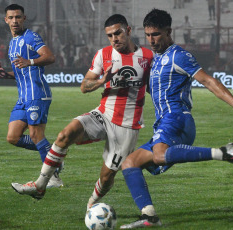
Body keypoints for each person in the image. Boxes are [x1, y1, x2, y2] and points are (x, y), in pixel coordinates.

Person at [119, 9, 233, 229]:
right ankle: (150, 216)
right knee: (129, 163)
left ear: (168, 31)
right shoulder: (156, 60)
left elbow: (208, 80)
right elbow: (156, 91)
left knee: (159, 155)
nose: (151, 40)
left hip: (177, 119)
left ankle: (225, 152)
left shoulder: (178, 55)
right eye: (147, 35)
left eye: (156, 34)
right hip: (163, 122)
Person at [10, 14, 154, 210]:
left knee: (106, 176)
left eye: (118, 33)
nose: (114, 39)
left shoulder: (148, 57)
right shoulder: (103, 55)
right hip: (102, 114)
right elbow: (84, 86)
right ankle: (40, 186)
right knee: (64, 135)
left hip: (128, 125)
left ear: (128, 31)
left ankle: (91, 206)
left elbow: (156, 88)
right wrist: (102, 81)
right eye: (110, 35)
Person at [0, 4, 62, 188]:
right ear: (6, 20)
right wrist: (6, 75)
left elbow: (50, 57)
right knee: (13, 137)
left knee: (35, 135)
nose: (15, 21)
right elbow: (21, 72)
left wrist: (30, 61)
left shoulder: (31, 37)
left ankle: (53, 177)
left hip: (37, 93)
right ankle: (53, 157)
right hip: (23, 97)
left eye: (18, 17)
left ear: (24, 18)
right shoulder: (12, 43)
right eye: (11, 17)